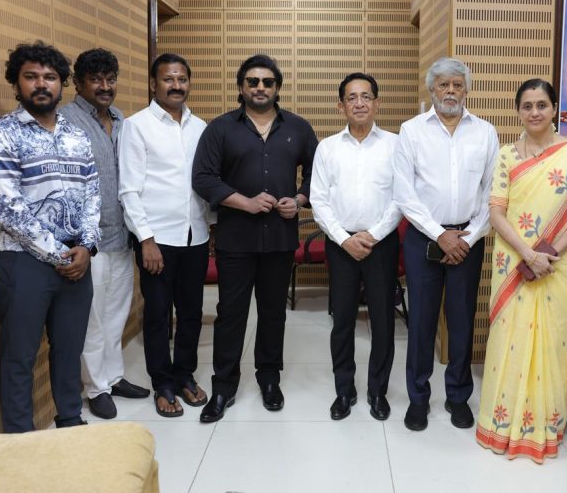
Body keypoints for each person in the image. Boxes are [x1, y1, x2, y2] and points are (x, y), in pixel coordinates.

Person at [475, 79, 567, 462]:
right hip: (514, 261)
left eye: (541, 104)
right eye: (527, 106)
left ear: (554, 108)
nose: (534, 112)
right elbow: (496, 213)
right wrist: (528, 253)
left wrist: (547, 254)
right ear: (518, 111)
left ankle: (544, 426)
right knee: (508, 338)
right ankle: (501, 423)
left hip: (558, 264)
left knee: (554, 340)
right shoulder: (507, 155)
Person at [0, 41, 100, 432]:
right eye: (31, 76)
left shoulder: (77, 137)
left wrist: (86, 246)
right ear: (16, 83)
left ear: (62, 84)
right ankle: (21, 440)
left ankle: (71, 422)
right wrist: (61, 255)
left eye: (50, 77)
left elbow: (93, 196)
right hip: (22, 263)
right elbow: (7, 209)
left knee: (69, 350)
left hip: (77, 261)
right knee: (19, 356)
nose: (42, 84)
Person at [192, 54, 318, 422]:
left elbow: (319, 177)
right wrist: (244, 202)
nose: (260, 88)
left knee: (273, 314)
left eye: (267, 82)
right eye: (252, 81)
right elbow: (203, 178)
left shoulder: (298, 128)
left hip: (280, 238)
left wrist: (298, 200)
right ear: (241, 86)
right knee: (231, 314)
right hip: (235, 240)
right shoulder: (220, 129)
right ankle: (224, 386)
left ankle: (269, 379)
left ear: (277, 87)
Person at [393, 57, 499, 432]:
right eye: (443, 84)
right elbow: (404, 193)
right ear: (432, 89)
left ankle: (458, 396)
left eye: (457, 84)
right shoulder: (411, 131)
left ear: (467, 89)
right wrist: (439, 234)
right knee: (421, 322)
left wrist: (468, 236)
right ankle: (418, 399)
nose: (450, 91)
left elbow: (492, 192)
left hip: (469, 240)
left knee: (461, 321)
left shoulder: (485, 132)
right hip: (423, 239)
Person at [60, 48, 150, 420]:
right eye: (96, 79)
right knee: (93, 319)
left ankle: (113, 377)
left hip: (121, 234)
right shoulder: (66, 121)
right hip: (88, 239)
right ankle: (96, 387)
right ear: (78, 82)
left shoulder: (120, 119)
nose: (105, 86)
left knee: (116, 314)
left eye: (110, 79)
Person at [119, 53, 209, 418]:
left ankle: (184, 375)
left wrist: (212, 227)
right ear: (153, 84)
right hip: (157, 240)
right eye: (168, 79)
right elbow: (128, 190)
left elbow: (205, 183)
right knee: (157, 315)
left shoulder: (200, 127)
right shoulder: (136, 126)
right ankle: (163, 384)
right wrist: (146, 239)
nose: (176, 85)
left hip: (195, 236)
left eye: (182, 79)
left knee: (191, 313)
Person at [310, 72, 402, 421]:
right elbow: (318, 200)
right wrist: (344, 238)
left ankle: (378, 391)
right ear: (341, 106)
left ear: (377, 103)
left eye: (366, 96)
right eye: (352, 97)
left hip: (382, 244)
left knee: (383, 320)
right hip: (341, 245)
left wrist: (374, 235)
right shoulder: (327, 148)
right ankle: (344, 390)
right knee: (343, 320)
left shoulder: (395, 145)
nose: (359, 103)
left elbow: (401, 197)